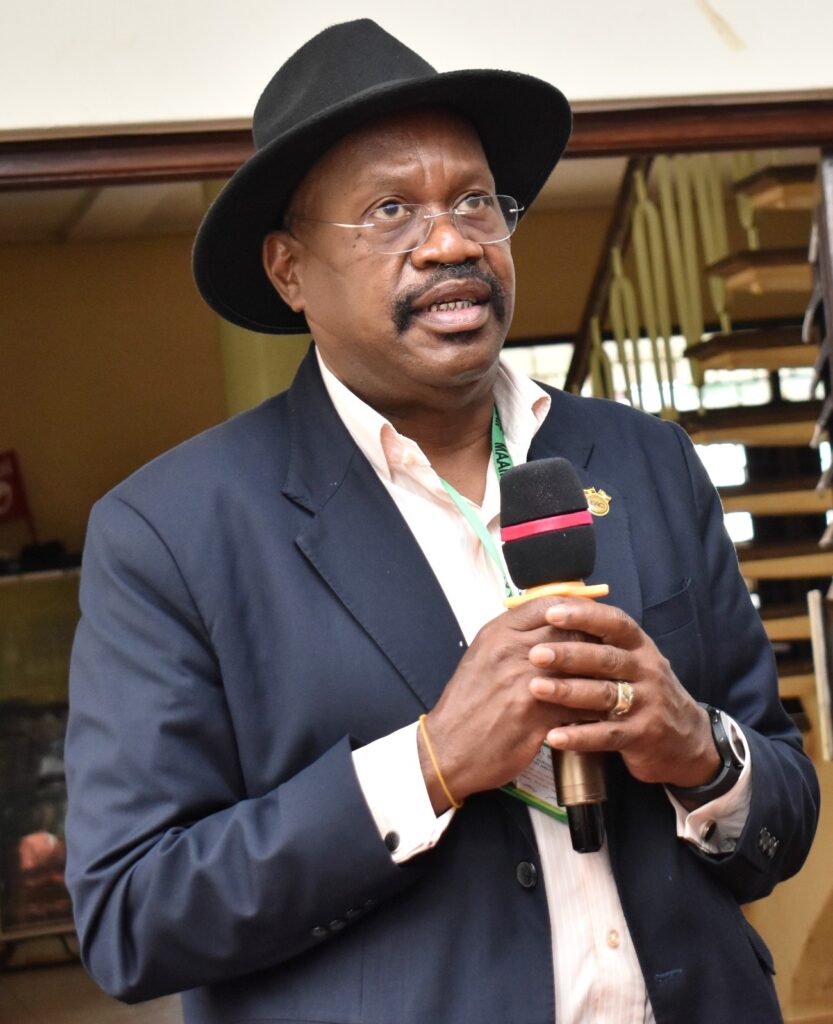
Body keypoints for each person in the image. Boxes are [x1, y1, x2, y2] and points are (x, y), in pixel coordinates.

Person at [65, 18, 819, 1024]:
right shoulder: (169, 534)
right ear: (290, 272)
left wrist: (696, 749)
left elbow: (783, 805)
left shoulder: (645, 459)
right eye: (389, 211)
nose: (453, 241)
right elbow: (133, 915)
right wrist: (428, 763)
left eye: (475, 200)